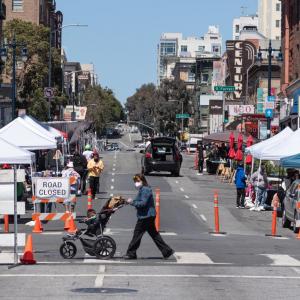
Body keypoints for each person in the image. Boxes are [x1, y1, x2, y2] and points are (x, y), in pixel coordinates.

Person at [123, 174, 174, 260]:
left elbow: (142, 203)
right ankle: (167, 251)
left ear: (143, 181)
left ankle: (131, 253)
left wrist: (132, 202)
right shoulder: (142, 189)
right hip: (148, 215)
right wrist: (130, 201)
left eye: (138, 181)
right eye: (135, 181)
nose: (136, 183)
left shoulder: (145, 190)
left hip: (146, 216)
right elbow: (138, 201)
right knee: (154, 235)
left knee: (137, 234)